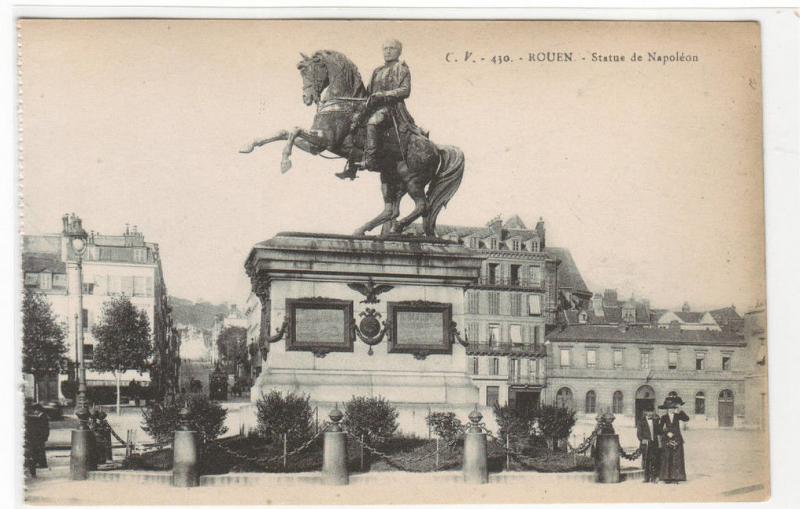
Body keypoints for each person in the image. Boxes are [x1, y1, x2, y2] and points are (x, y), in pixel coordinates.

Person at [336, 39, 421, 180]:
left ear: (399, 51)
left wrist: (384, 94)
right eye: (385, 48)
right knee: (354, 122)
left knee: (373, 122)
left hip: (392, 108)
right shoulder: (377, 70)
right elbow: (369, 91)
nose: (388, 51)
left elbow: (405, 91)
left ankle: (370, 160)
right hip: (374, 106)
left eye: (392, 48)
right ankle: (352, 167)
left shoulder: (402, 68)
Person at [658, 396, 690, 483]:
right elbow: (659, 429)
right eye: (670, 408)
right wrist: (666, 433)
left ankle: (678, 477)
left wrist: (681, 410)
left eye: (673, 407)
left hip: (677, 439)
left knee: (677, 458)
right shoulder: (664, 417)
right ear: (667, 409)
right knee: (667, 457)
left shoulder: (678, 415)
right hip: (667, 440)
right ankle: (667, 477)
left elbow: (687, 419)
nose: (671, 409)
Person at [636, 408, 662, 483]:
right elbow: (639, 434)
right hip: (646, 444)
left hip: (654, 443)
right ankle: (646, 478)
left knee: (654, 460)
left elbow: (659, 431)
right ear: (645, 412)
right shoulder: (641, 422)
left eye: (652, 411)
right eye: (648, 411)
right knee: (646, 461)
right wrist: (642, 440)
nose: (650, 413)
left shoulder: (655, 421)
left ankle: (653, 477)